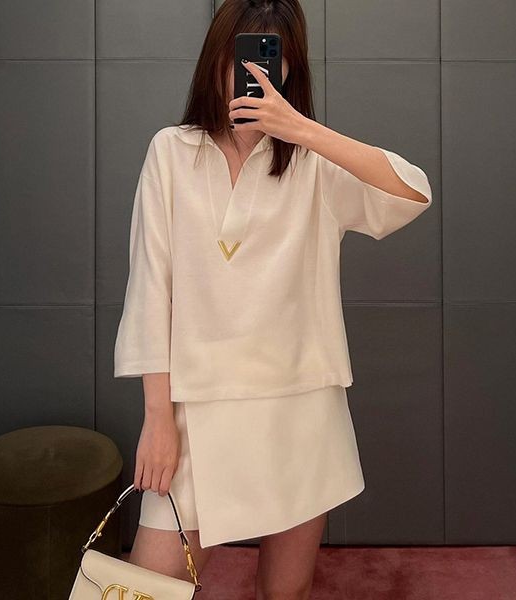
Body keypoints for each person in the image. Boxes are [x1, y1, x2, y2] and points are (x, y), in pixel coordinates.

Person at [114, 1, 432, 598]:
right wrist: (157, 417)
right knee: (147, 587)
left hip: (299, 409)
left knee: (285, 592)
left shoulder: (313, 163)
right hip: (196, 410)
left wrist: (301, 129)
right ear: (217, 57)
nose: (253, 71)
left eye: (271, 56)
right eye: (242, 52)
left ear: (291, 68)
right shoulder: (171, 152)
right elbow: (151, 288)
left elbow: (413, 193)